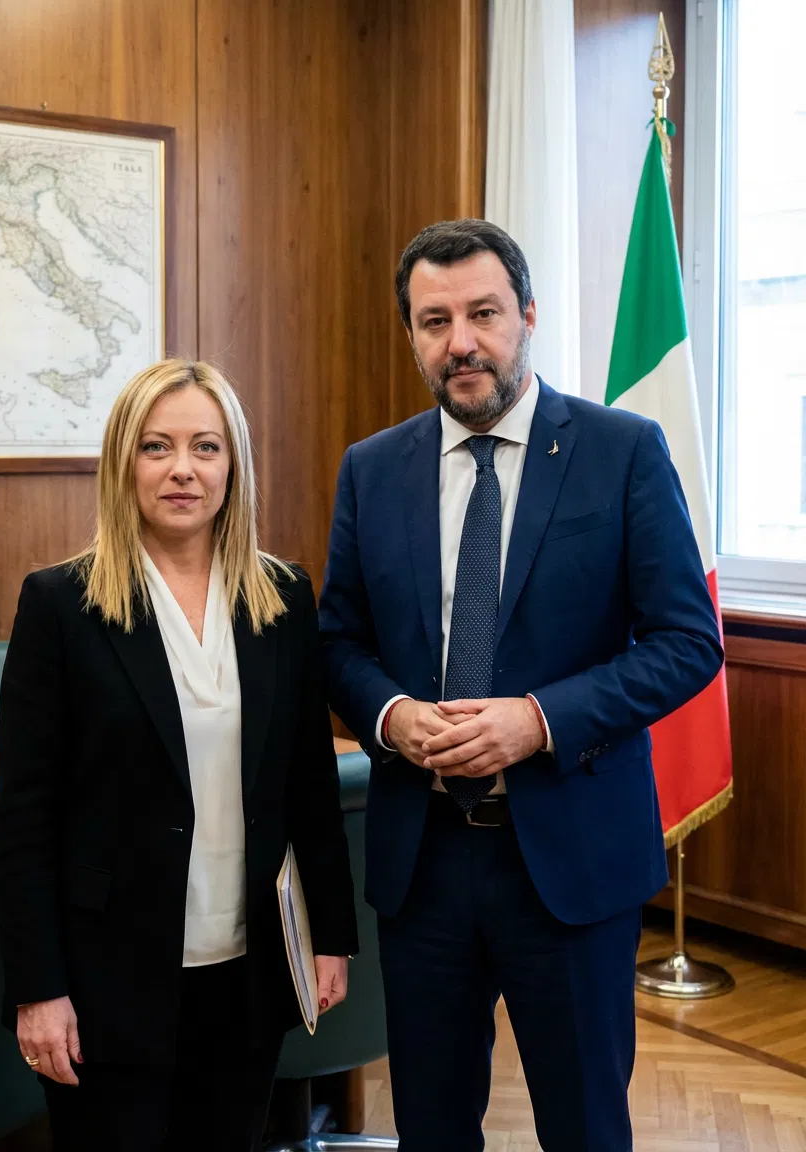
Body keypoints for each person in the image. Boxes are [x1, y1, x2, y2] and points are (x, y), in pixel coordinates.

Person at [319, 219, 724, 1152]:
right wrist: (390, 715)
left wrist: (540, 721)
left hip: (571, 861)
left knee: (584, 1127)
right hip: (422, 866)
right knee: (430, 1125)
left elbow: (684, 643)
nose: (460, 341)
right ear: (412, 336)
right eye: (434, 320)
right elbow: (338, 642)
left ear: (528, 317)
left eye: (483, 313)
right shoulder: (372, 470)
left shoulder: (623, 450)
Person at [0, 359, 358, 1152]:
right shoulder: (61, 603)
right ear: (124, 462)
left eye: (206, 446)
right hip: (105, 981)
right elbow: (25, 820)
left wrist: (330, 936)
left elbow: (307, 784)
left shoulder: (283, 596)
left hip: (248, 969)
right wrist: (39, 992)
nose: (183, 469)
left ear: (235, 465)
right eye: (157, 447)